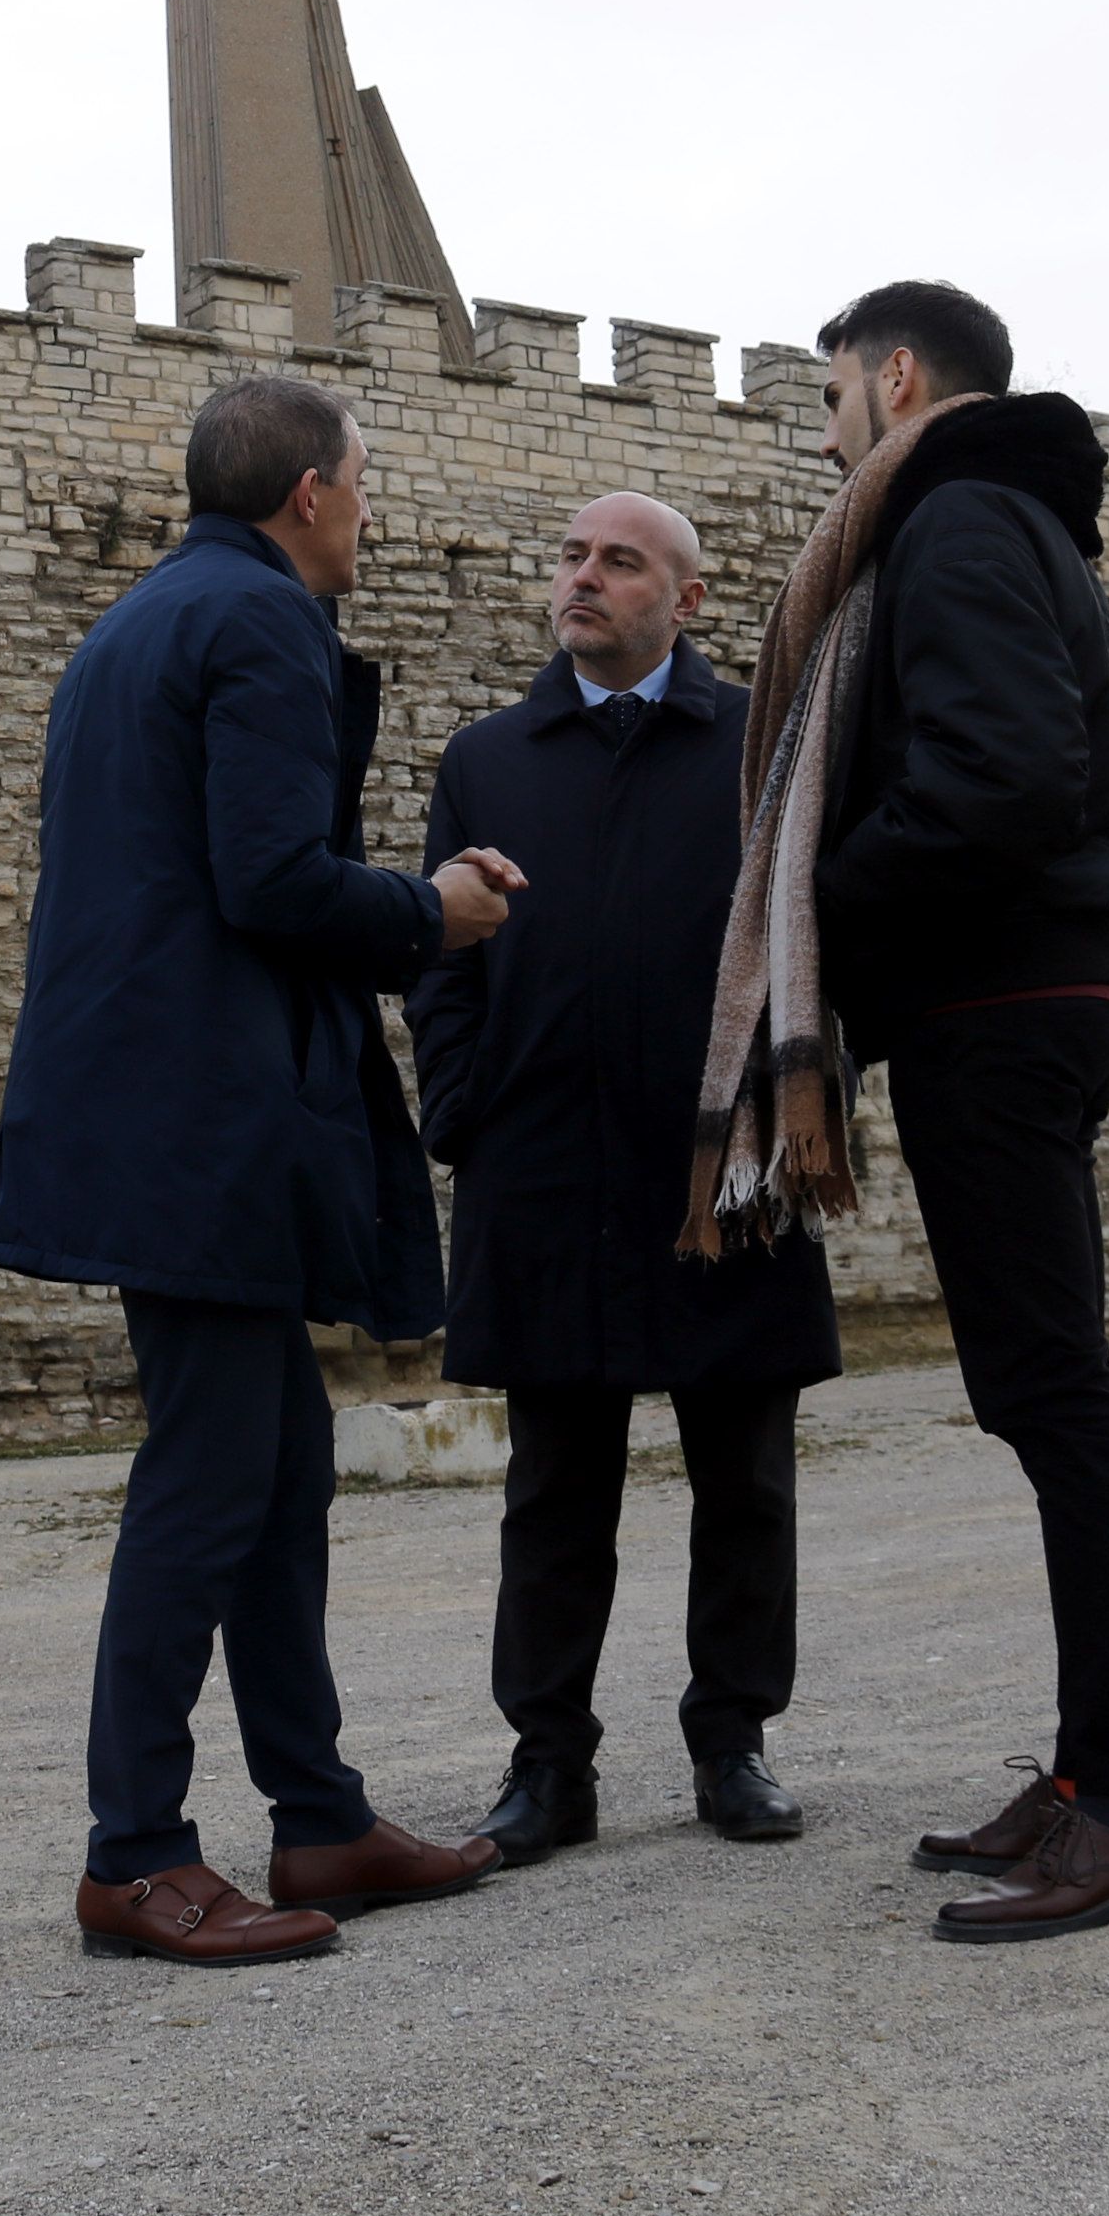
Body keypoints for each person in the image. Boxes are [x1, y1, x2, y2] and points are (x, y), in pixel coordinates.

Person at [0, 372, 522, 1966]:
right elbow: (272, 883)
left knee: (275, 1473)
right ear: (307, 496)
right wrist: (437, 915)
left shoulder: (139, 622)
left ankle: (320, 1820)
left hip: (161, 1105)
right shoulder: (262, 622)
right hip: (197, 1120)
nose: (371, 509)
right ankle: (134, 1854)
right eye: (362, 483)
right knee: (212, 1481)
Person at [683, 277, 1109, 1942]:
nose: (825, 427)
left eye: (834, 394)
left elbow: (1004, 780)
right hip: (1017, 998)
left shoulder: (961, 522)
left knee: (1053, 1394)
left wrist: (820, 895)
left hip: (1006, 1005)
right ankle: (1087, 1771)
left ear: (898, 377)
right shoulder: (987, 521)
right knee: (1042, 1392)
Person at [410, 494, 843, 1869]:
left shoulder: (751, 750)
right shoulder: (488, 758)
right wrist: (462, 1106)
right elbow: (443, 959)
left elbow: (815, 932)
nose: (582, 579)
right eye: (572, 558)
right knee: (554, 1491)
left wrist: (791, 1110)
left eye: (619, 562)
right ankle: (549, 1768)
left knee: (747, 1482)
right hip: (541, 1171)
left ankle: (734, 1744)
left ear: (688, 599)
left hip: (722, 1177)